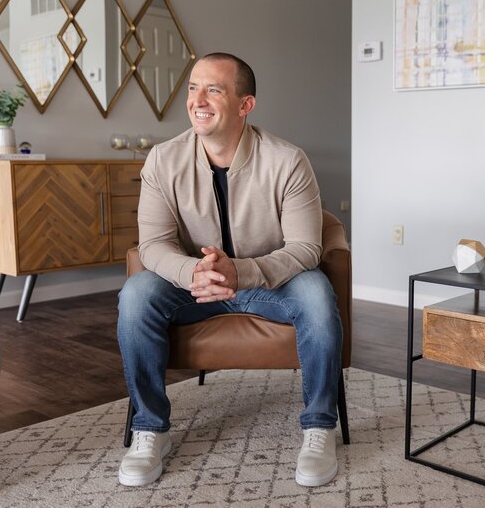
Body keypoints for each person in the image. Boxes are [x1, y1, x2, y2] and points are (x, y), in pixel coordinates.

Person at [116, 52, 343, 488]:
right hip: (194, 286)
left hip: (268, 284)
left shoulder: (288, 160)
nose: (198, 99)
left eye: (213, 89)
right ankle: (149, 431)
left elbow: (306, 248)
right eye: (193, 88)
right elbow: (153, 245)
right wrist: (193, 274)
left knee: (316, 294)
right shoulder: (162, 161)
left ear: (245, 105)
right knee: (137, 294)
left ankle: (319, 428)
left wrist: (244, 271)